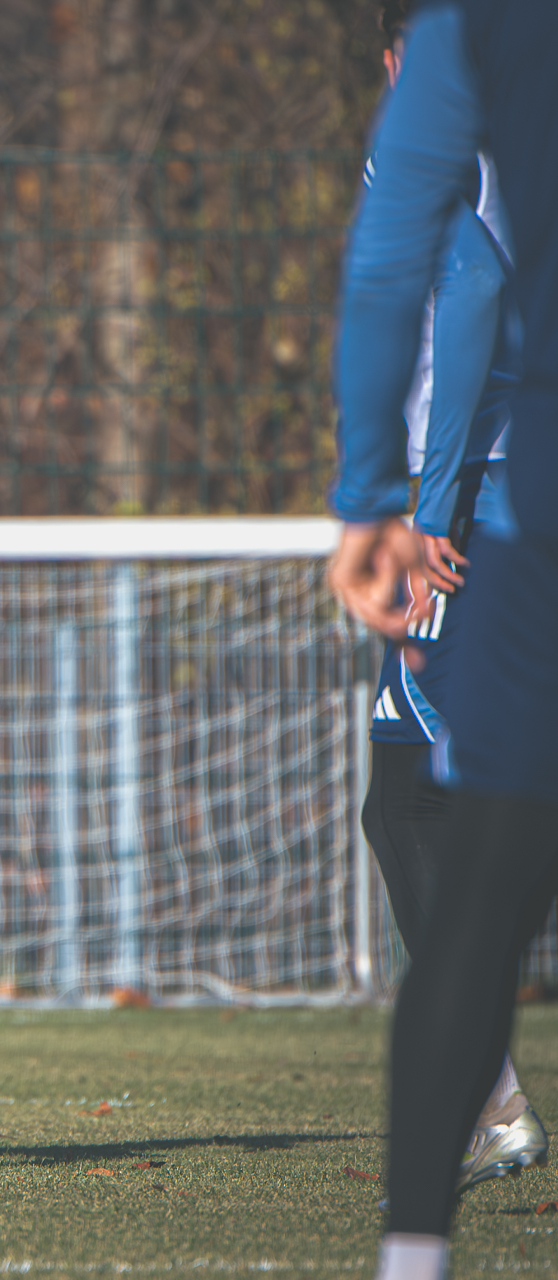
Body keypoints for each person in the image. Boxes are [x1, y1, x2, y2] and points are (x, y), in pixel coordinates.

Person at [327, 3, 558, 1276]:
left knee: (441, 816)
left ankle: (482, 1123)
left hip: (490, 500)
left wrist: (413, 504)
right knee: (402, 798)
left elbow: (458, 286)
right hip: (495, 482)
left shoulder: (446, 92)